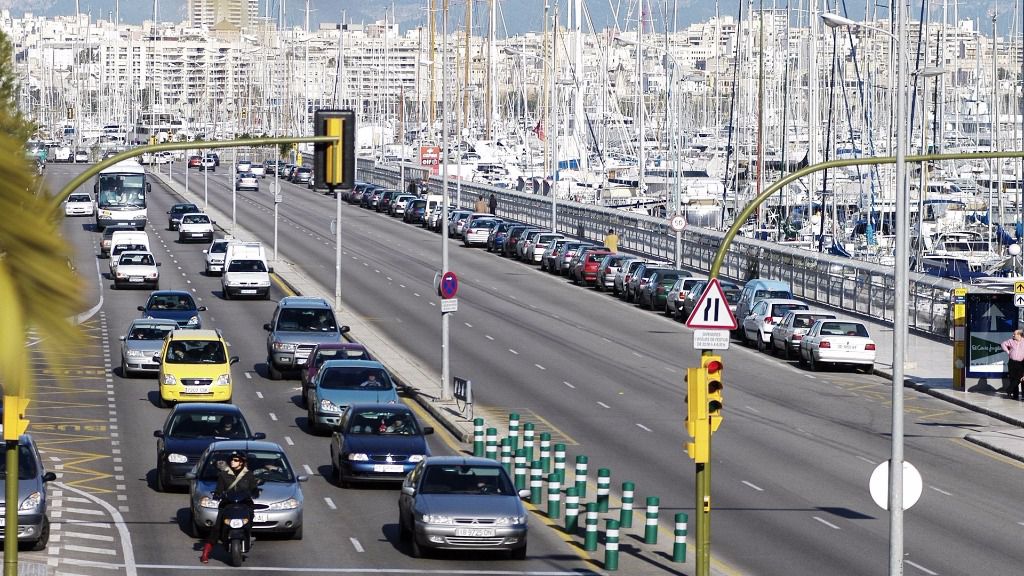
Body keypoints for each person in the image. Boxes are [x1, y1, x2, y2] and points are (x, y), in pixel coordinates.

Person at [200, 452, 259, 564]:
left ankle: (248, 534)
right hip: (228, 504)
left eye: (236, 460)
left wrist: (255, 492)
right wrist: (217, 495)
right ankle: (205, 553)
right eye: (232, 460)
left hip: (244, 504)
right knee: (217, 528)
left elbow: (253, 488)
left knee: (250, 516)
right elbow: (219, 490)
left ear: (241, 462)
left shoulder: (249, 475)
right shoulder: (223, 475)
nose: (233, 462)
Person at [1001, 329, 1024, 399]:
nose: (1013, 335)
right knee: (1012, 378)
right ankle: (1015, 395)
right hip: (1012, 362)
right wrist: (1008, 351)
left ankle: (1009, 390)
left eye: (1015, 334)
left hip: (1021, 362)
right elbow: (1003, 344)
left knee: (1020, 378)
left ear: (1019, 335)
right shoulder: (1011, 341)